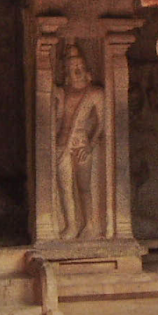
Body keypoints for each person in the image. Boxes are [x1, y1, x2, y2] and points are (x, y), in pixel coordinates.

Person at [54, 46, 107, 239]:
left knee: (83, 186)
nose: (77, 72)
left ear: (88, 72)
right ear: (66, 73)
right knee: (65, 188)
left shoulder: (94, 93)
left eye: (80, 67)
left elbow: (102, 123)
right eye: (72, 68)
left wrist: (90, 145)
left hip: (81, 144)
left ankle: (90, 224)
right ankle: (71, 225)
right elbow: (57, 119)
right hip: (62, 144)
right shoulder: (62, 92)